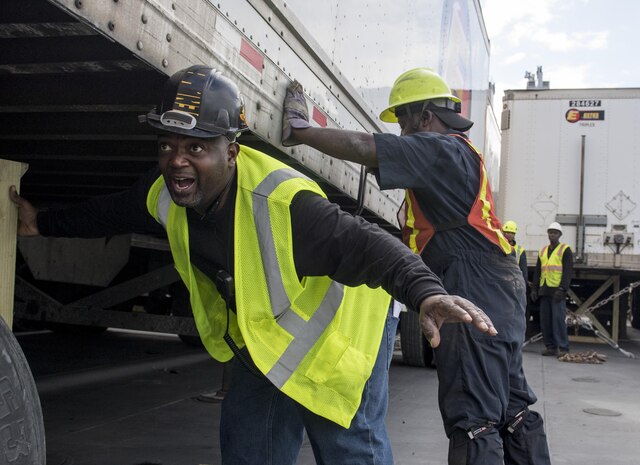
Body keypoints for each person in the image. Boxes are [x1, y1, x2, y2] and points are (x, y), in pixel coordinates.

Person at [9, 65, 497, 465]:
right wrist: (42, 222)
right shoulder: (162, 194)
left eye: (196, 148)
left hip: (341, 339)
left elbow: (368, 245)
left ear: (232, 151)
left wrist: (426, 292)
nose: (177, 161)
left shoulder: (283, 205)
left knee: (350, 451)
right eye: (167, 146)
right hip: (265, 342)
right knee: (248, 452)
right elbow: (109, 211)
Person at [282, 68, 551, 465]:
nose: (403, 134)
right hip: (495, 282)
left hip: (473, 281)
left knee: (472, 415)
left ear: (426, 116)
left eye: (405, 121)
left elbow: (364, 146)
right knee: (512, 408)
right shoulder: (453, 159)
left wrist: (301, 130)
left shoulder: (442, 149)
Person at [531, 222, 573, 357]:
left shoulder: (565, 250)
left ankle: (563, 348)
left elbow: (567, 271)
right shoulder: (542, 251)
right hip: (545, 290)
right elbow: (538, 271)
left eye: (555, 233)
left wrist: (563, 288)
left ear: (559, 235)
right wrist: (535, 289)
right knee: (546, 321)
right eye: (550, 232)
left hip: (557, 291)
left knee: (558, 320)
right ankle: (551, 347)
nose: (552, 235)